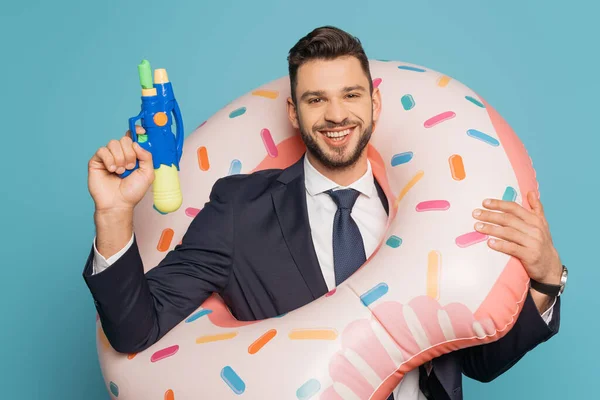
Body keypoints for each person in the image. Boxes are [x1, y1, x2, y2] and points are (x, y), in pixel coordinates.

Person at [84, 26, 566, 400]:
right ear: (294, 112)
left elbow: (478, 362)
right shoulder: (238, 209)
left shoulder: (430, 214)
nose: (336, 116)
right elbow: (134, 330)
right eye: (316, 100)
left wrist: (546, 282)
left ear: (374, 103)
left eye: (351, 96)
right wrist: (113, 215)